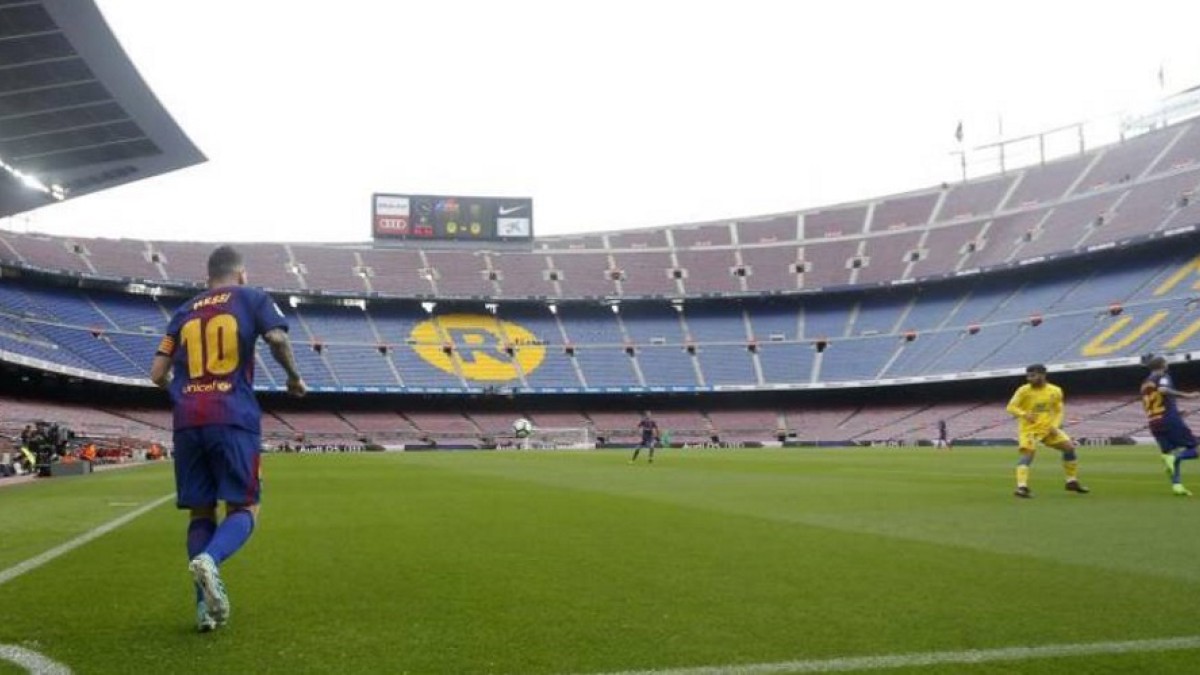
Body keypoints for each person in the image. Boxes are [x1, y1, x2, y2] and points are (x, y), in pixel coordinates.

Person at [150, 245, 306, 633]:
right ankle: (211, 559)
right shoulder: (252, 297)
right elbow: (277, 339)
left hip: (187, 421)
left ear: (208, 278)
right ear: (241, 274)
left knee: (200, 512)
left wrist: (182, 392)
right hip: (232, 415)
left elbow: (156, 374)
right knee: (246, 507)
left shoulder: (183, 311)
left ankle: (203, 609)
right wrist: (293, 378)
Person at [1005, 364, 1089, 498]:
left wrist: (1055, 426)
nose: (1029, 379)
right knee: (1028, 455)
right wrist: (1024, 414)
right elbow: (1011, 407)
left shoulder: (1055, 390)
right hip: (1030, 430)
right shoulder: (1023, 390)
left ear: (1043, 375)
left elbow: (1058, 410)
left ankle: (1071, 481)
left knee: (1069, 448)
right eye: (1028, 376)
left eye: (1033, 376)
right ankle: (1022, 487)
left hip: (1048, 428)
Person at [1141, 356, 1199, 496]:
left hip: (1154, 421)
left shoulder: (1145, 383)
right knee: (1194, 448)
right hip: (1167, 419)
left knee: (1169, 454)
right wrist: (1187, 395)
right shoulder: (1163, 376)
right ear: (1163, 365)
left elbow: (1152, 402)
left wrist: (1176, 412)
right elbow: (1163, 390)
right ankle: (1176, 459)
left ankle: (1177, 485)